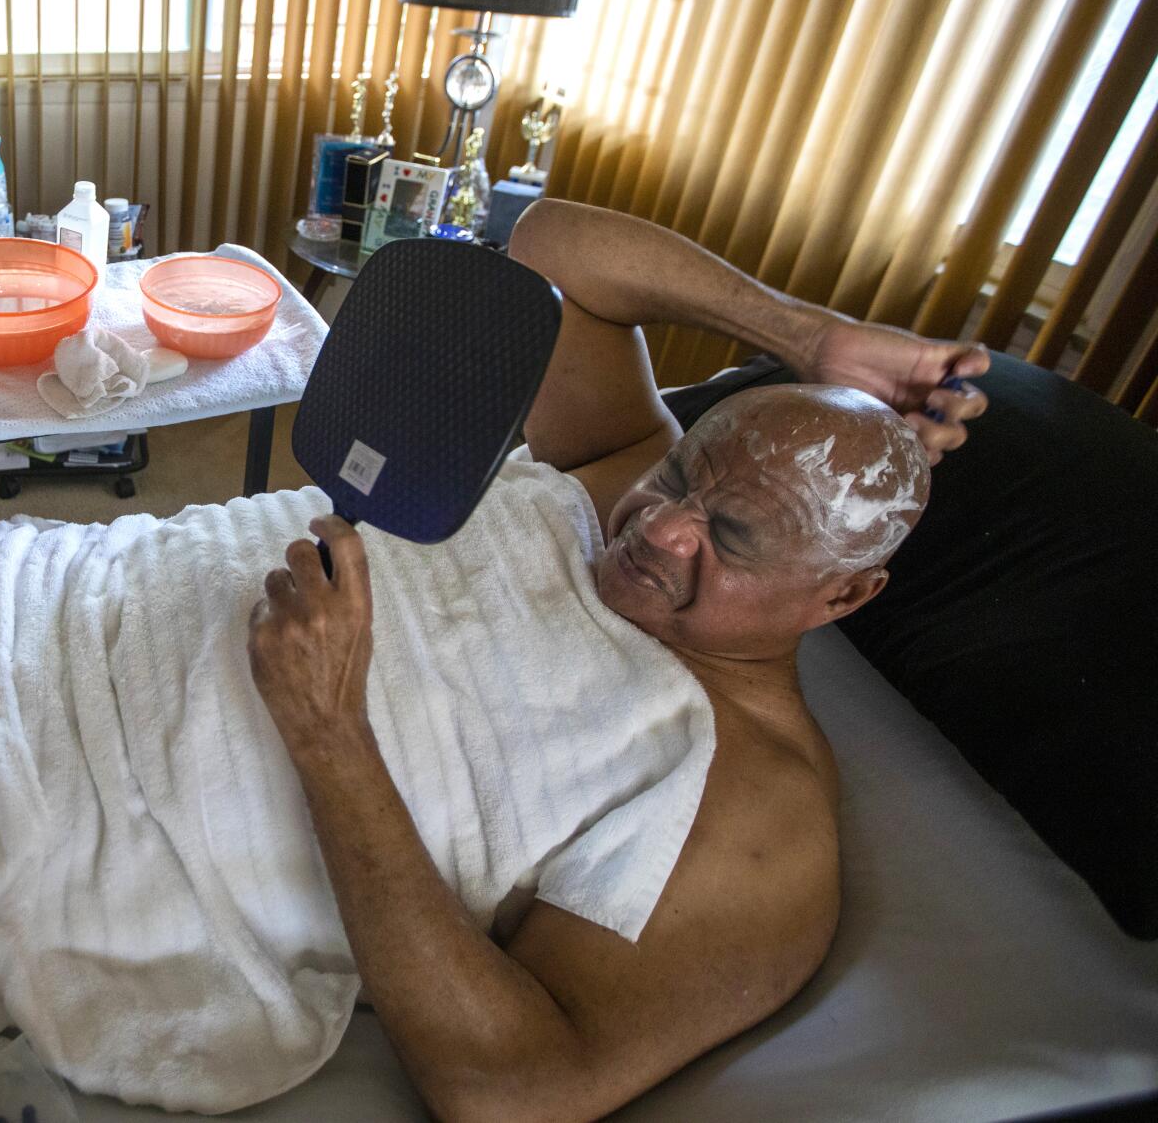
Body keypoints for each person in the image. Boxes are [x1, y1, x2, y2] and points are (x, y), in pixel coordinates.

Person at [247, 199, 990, 1122]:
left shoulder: (761, 810)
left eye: (732, 535)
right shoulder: (620, 464)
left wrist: (328, 732)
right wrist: (810, 338)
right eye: (681, 476)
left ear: (843, 597)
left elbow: (519, 1090)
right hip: (79, 597)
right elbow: (550, 246)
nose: (658, 526)